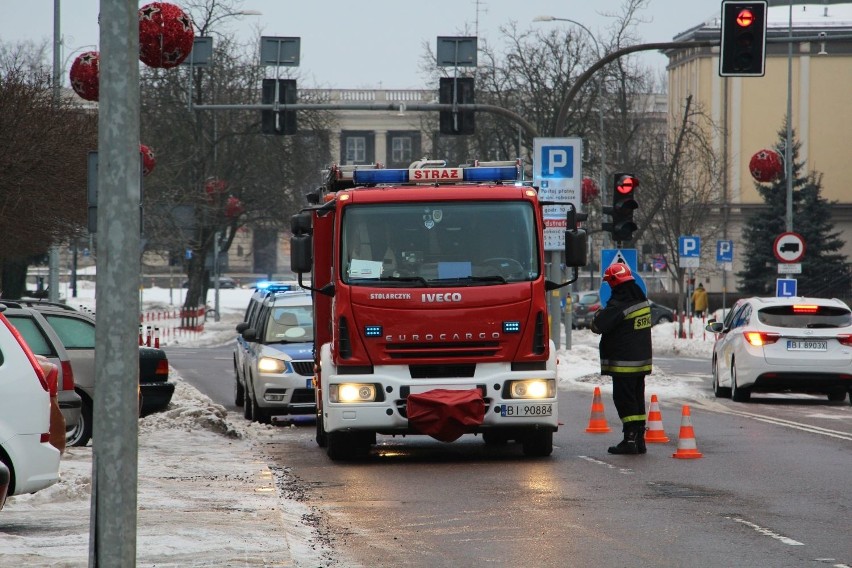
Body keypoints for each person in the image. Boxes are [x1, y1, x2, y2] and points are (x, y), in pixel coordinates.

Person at [590, 263, 653, 455]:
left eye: (610, 284)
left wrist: (599, 313)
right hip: (640, 363)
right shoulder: (641, 302)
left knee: (624, 400)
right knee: (637, 400)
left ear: (616, 283)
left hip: (624, 365)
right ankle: (639, 439)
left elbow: (597, 325)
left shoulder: (620, 305)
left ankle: (630, 439)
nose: (610, 288)